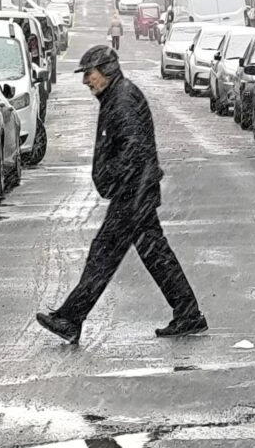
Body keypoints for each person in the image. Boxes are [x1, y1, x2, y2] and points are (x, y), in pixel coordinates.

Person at [36, 45, 208, 344]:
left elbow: (133, 150)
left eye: (89, 74)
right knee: (153, 255)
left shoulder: (123, 98)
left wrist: (119, 186)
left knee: (104, 256)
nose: (86, 81)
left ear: (107, 70)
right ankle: (188, 312)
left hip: (132, 194)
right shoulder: (116, 95)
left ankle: (70, 318)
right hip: (135, 192)